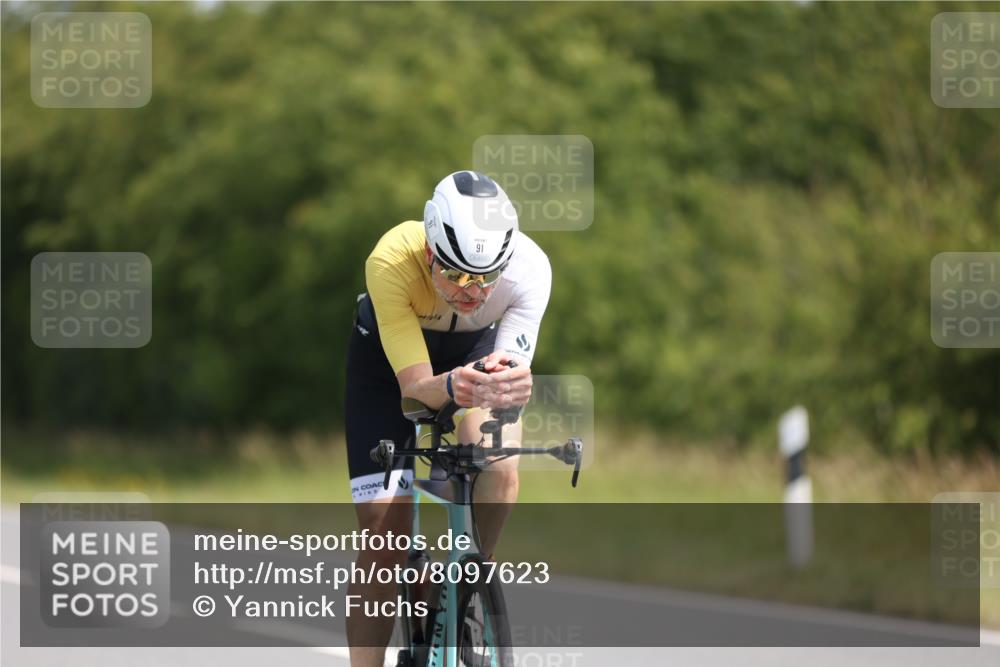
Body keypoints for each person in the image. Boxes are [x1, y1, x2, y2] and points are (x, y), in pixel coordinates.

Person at [343, 170, 551, 665]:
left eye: (485, 278)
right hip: (390, 366)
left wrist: (513, 382)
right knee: (383, 538)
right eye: (455, 274)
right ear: (430, 251)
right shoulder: (392, 258)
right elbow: (415, 394)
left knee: (497, 467)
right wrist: (454, 384)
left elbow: (506, 378)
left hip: (477, 350)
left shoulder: (531, 268)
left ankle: (467, 583)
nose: (471, 292)